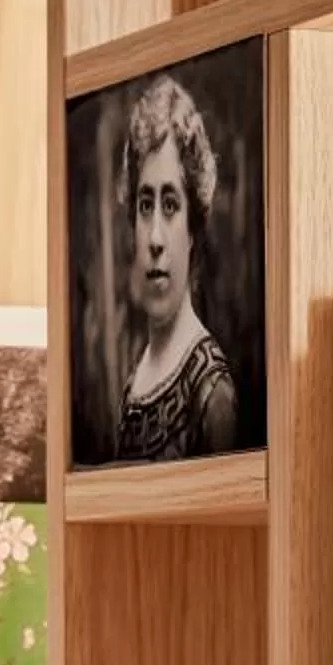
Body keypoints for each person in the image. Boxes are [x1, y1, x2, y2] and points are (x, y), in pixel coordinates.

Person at [112, 74, 241, 462]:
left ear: (193, 228)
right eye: (145, 204)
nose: (154, 238)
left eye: (170, 206)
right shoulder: (135, 382)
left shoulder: (212, 393)